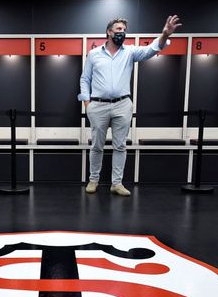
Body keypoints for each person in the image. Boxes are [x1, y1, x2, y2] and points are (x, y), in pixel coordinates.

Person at [78, 15, 182, 196]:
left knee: (120, 146)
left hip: (122, 104)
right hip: (98, 105)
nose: (122, 33)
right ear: (109, 32)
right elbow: (85, 79)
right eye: (118, 29)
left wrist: (165, 34)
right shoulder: (94, 54)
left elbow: (151, 49)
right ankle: (93, 180)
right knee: (96, 146)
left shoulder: (129, 52)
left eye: (124, 30)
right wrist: (87, 103)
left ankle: (116, 183)